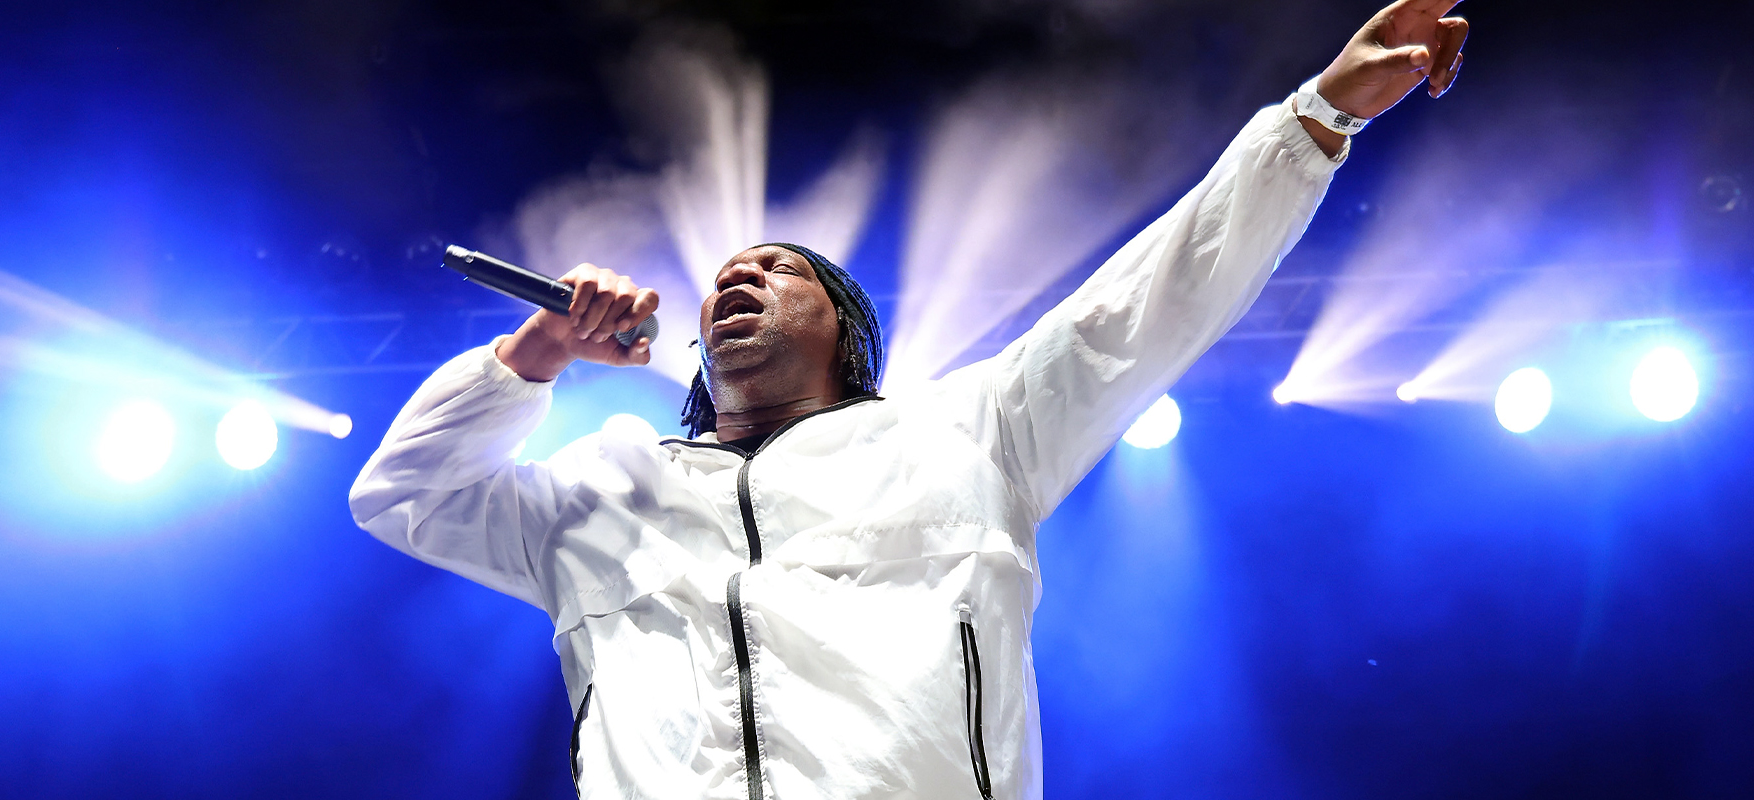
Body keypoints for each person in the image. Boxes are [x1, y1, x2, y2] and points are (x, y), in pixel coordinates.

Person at [349, 2, 1468, 797]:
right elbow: (402, 493)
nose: (738, 273)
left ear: (846, 324)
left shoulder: (970, 431)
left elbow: (1157, 295)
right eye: (723, 273)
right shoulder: (600, 493)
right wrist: (534, 352)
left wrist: (1316, 118)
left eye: (778, 267)